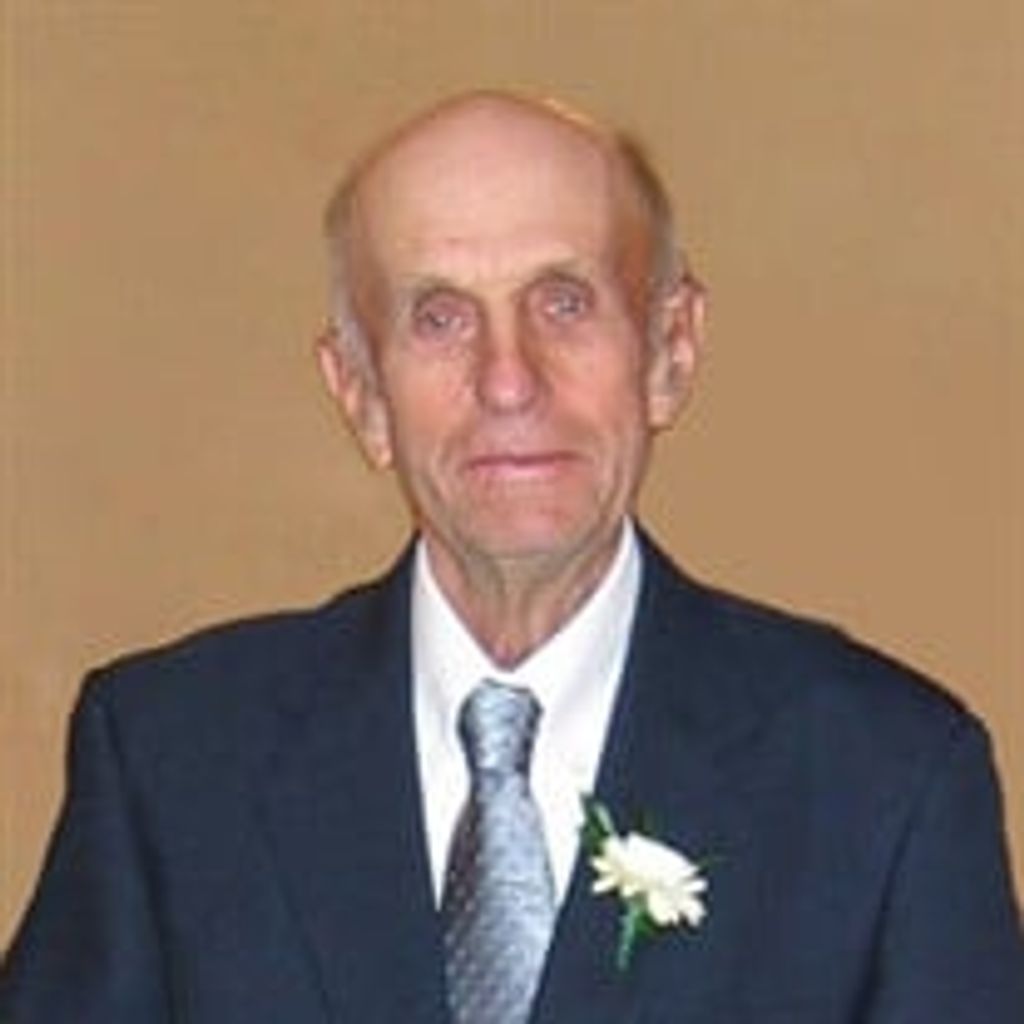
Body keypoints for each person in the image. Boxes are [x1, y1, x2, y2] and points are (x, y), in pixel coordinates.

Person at [1, 90, 1021, 1023]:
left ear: (669, 351)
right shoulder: (173, 763)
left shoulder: (883, 783)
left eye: (563, 301)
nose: (507, 379)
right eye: (439, 318)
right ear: (360, 392)